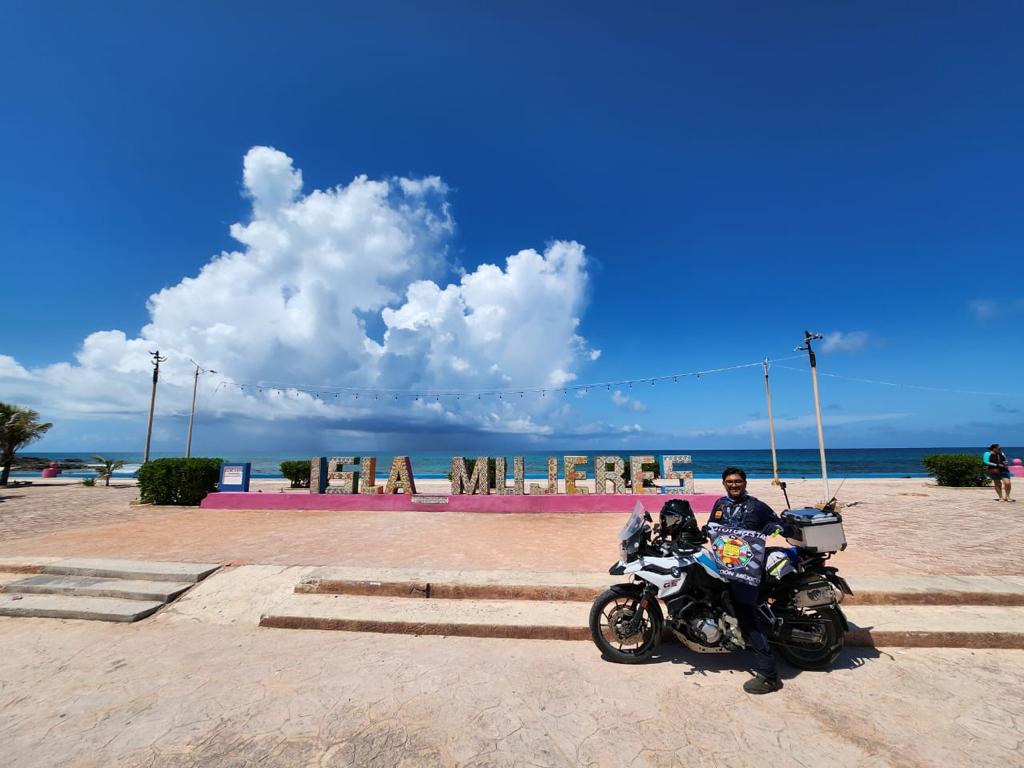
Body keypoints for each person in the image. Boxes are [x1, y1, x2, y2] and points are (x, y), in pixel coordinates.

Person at [708, 466, 790, 694]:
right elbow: (712, 527)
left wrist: (775, 528)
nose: (733, 485)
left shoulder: (757, 506)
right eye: (729, 481)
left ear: (745, 483)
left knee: (747, 618)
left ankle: (769, 675)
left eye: (738, 481)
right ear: (724, 483)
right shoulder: (720, 505)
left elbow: (783, 527)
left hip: (747, 573)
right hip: (726, 567)